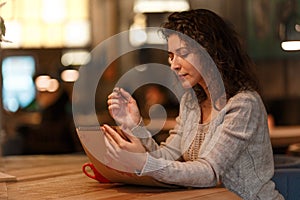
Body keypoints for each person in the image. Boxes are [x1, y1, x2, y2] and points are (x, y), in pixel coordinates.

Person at [103, 9, 284, 199]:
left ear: (211, 53)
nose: (174, 64)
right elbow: (167, 158)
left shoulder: (244, 104)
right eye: (171, 55)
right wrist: (135, 125)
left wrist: (143, 162)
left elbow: (209, 173)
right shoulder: (191, 102)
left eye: (183, 53)